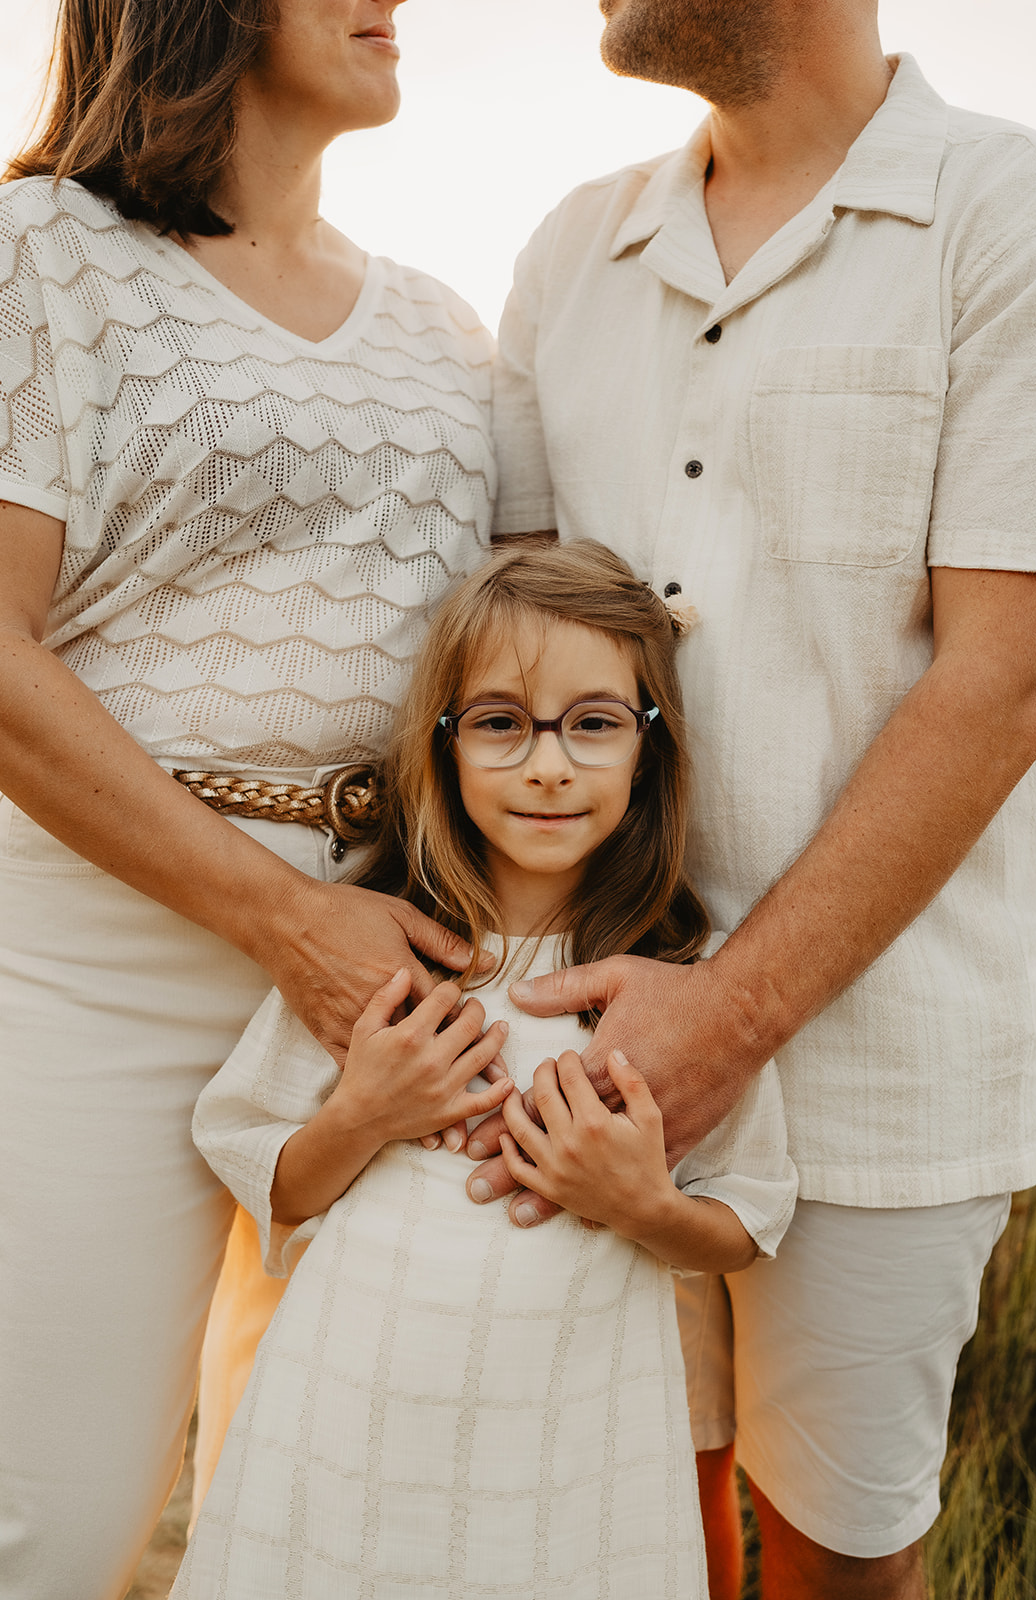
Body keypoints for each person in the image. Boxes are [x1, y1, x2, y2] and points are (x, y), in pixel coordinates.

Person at [476, 4, 1036, 1599]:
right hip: (588, 1051)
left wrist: (723, 1022)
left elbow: (1011, 673)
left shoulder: (1014, 213)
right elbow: (513, 643)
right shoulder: (570, 250)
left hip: (883, 1069)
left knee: (835, 1562)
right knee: (620, 1540)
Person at [0, 0, 500, 1593]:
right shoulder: (38, 255)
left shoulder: (439, 326)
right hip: (88, 965)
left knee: (331, 1532)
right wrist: (284, 920)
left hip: (387, 979)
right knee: (47, 1522)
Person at [170, 540, 797, 1598]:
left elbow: (747, 1217)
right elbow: (271, 1182)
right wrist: (365, 1112)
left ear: (648, 748)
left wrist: (638, 1203)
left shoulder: (671, 996)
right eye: (501, 722)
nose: (548, 764)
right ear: (444, 744)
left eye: (593, 722)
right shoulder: (373, 959)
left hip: (569, 1436)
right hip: (352, 1415)